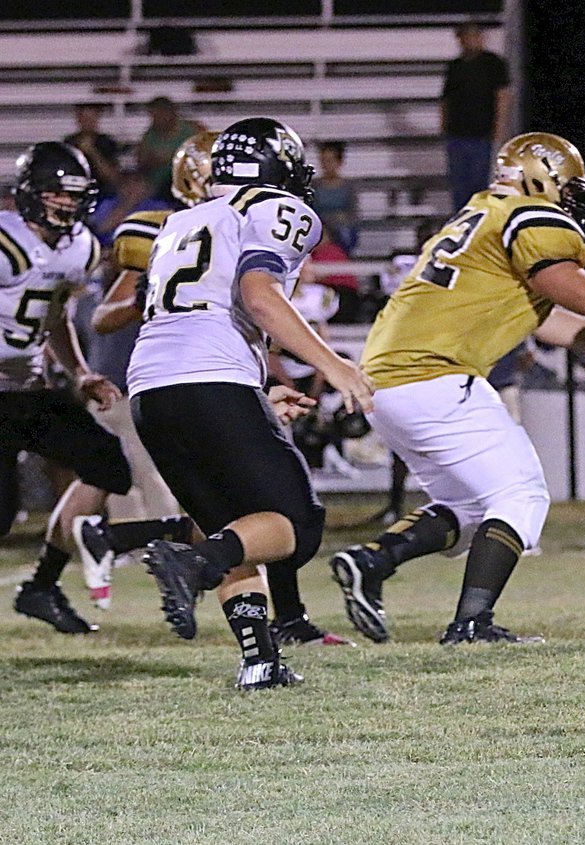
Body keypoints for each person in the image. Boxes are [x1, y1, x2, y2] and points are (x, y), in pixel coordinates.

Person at [329, 131, 585, 645]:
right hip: (435, 374)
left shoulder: (480, 214)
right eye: (568, 188)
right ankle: (471, 625)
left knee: (475, 509)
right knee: (521, 496)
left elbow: (548, 319)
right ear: (539, 176)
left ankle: (373, 561)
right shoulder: (530, 217)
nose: (571, 202)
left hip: (386, 382)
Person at [129, 117, 375, 689]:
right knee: (296, 526)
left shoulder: (182, 220)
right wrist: (332, 365)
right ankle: (191, 564)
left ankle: (259, 661)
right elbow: (257, 296)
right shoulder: (275, 209)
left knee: (234, 529)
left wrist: (256, 387)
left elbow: (198, 310)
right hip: (207, 376)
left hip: (152, 386)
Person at [1, 142, 187, 634]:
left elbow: (56, 314)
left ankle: (41, 586)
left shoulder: (81, 246)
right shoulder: (6, 241)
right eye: (56, 194)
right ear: (30, 195)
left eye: (74, 194)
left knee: (107, 462)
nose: (66, 203)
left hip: (30, 389)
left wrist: (80, 372)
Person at [441, 22, 512, 211]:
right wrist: (444, 128)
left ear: (480, 37)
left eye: (471, 36)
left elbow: (503, 97)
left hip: (481, 135)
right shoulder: (455, 67)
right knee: (459, 188)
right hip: (456, 135)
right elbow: (446, 99)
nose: (467, 41)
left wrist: (499, 128)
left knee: (479, 186)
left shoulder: (493, 63)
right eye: (463, 37)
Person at [136, 96, 203, 202]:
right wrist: (154, 160)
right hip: (158, 181)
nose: (155, 120)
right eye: (153, 116)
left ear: (170, 113)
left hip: (185, 178)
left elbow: (204, 155)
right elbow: (141, 163)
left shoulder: (191, 130)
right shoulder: (150, 134)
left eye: (158, 115)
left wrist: (175, 155)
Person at [63, 104, 123, 200]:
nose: (88, 122)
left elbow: (112, 177)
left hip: (103, 189)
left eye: (91, 117)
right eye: (84, 117)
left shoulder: (106, 142)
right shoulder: (69, 142)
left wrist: (92, 152)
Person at [311, 141, 358, 254]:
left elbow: (352, 214)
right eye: (323, 161)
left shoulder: (348, 187)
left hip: (340, 227)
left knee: (345, 232)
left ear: (339, 162)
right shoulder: (314, 186)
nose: (326, 165)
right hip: (320, 227)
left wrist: (334, 223)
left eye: (330, 161)